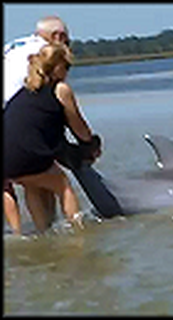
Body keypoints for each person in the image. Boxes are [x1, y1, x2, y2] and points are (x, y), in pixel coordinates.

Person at [4, 43, 101, 233]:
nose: (67, 72)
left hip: (6, 158)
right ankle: (78, 232)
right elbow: (78, 127)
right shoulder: (60, 89)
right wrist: (91, 145)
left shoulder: (25, 91)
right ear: (57, 67)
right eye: (67, 67)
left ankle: (42, 233)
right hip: (27, 154)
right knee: (63, 185)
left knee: (32, 184)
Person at [3, 16, 70, 234]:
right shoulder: (49, 53)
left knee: (12, 181)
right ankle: (51, 228)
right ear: (58, 37)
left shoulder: (14, 46)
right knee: (43, 175)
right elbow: (55, 100)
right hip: (16, 118)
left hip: (10, 117)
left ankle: (20, 234)